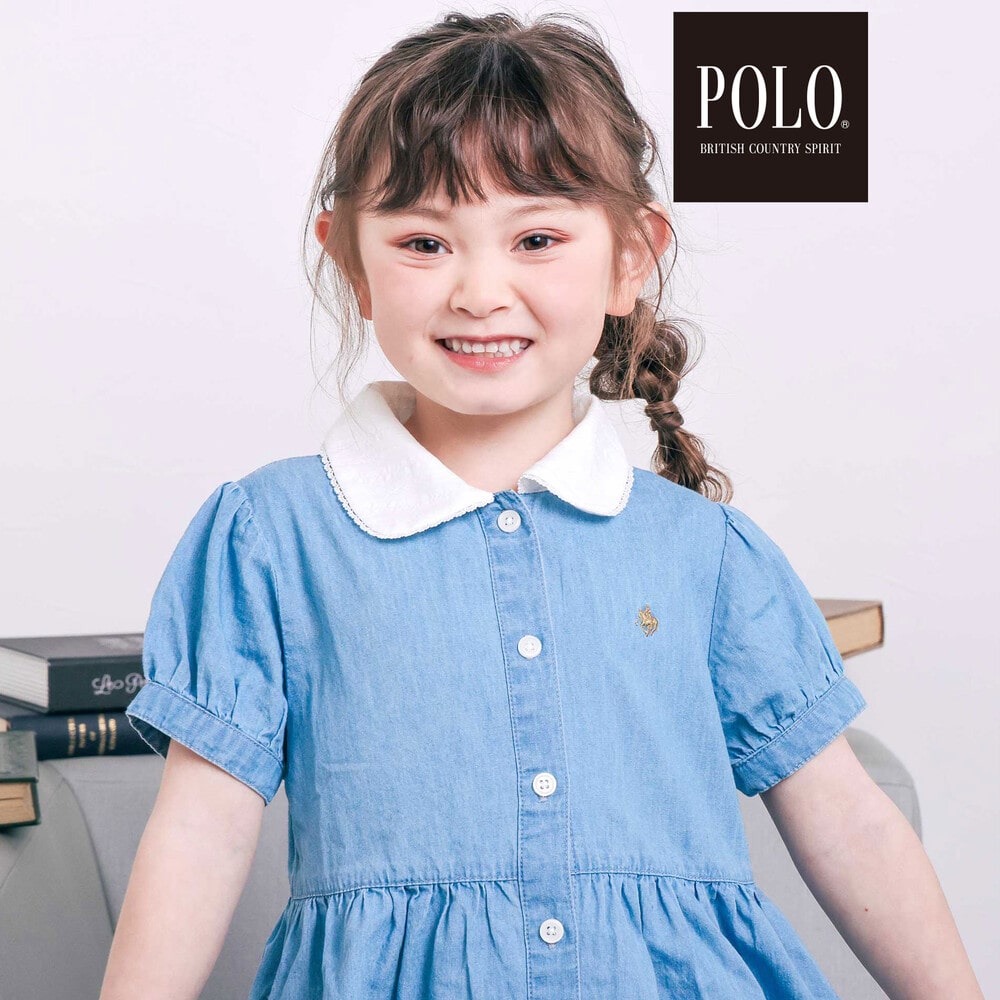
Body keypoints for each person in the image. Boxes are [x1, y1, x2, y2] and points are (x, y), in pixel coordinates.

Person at [100, 10, 984, 1000]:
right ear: (350, 261)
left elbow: (849, 822)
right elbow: (199, 832)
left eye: (536, 238)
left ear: (629, 257)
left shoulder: (707, 552)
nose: (481, 291)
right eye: (425, 242)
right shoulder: (272, 537)